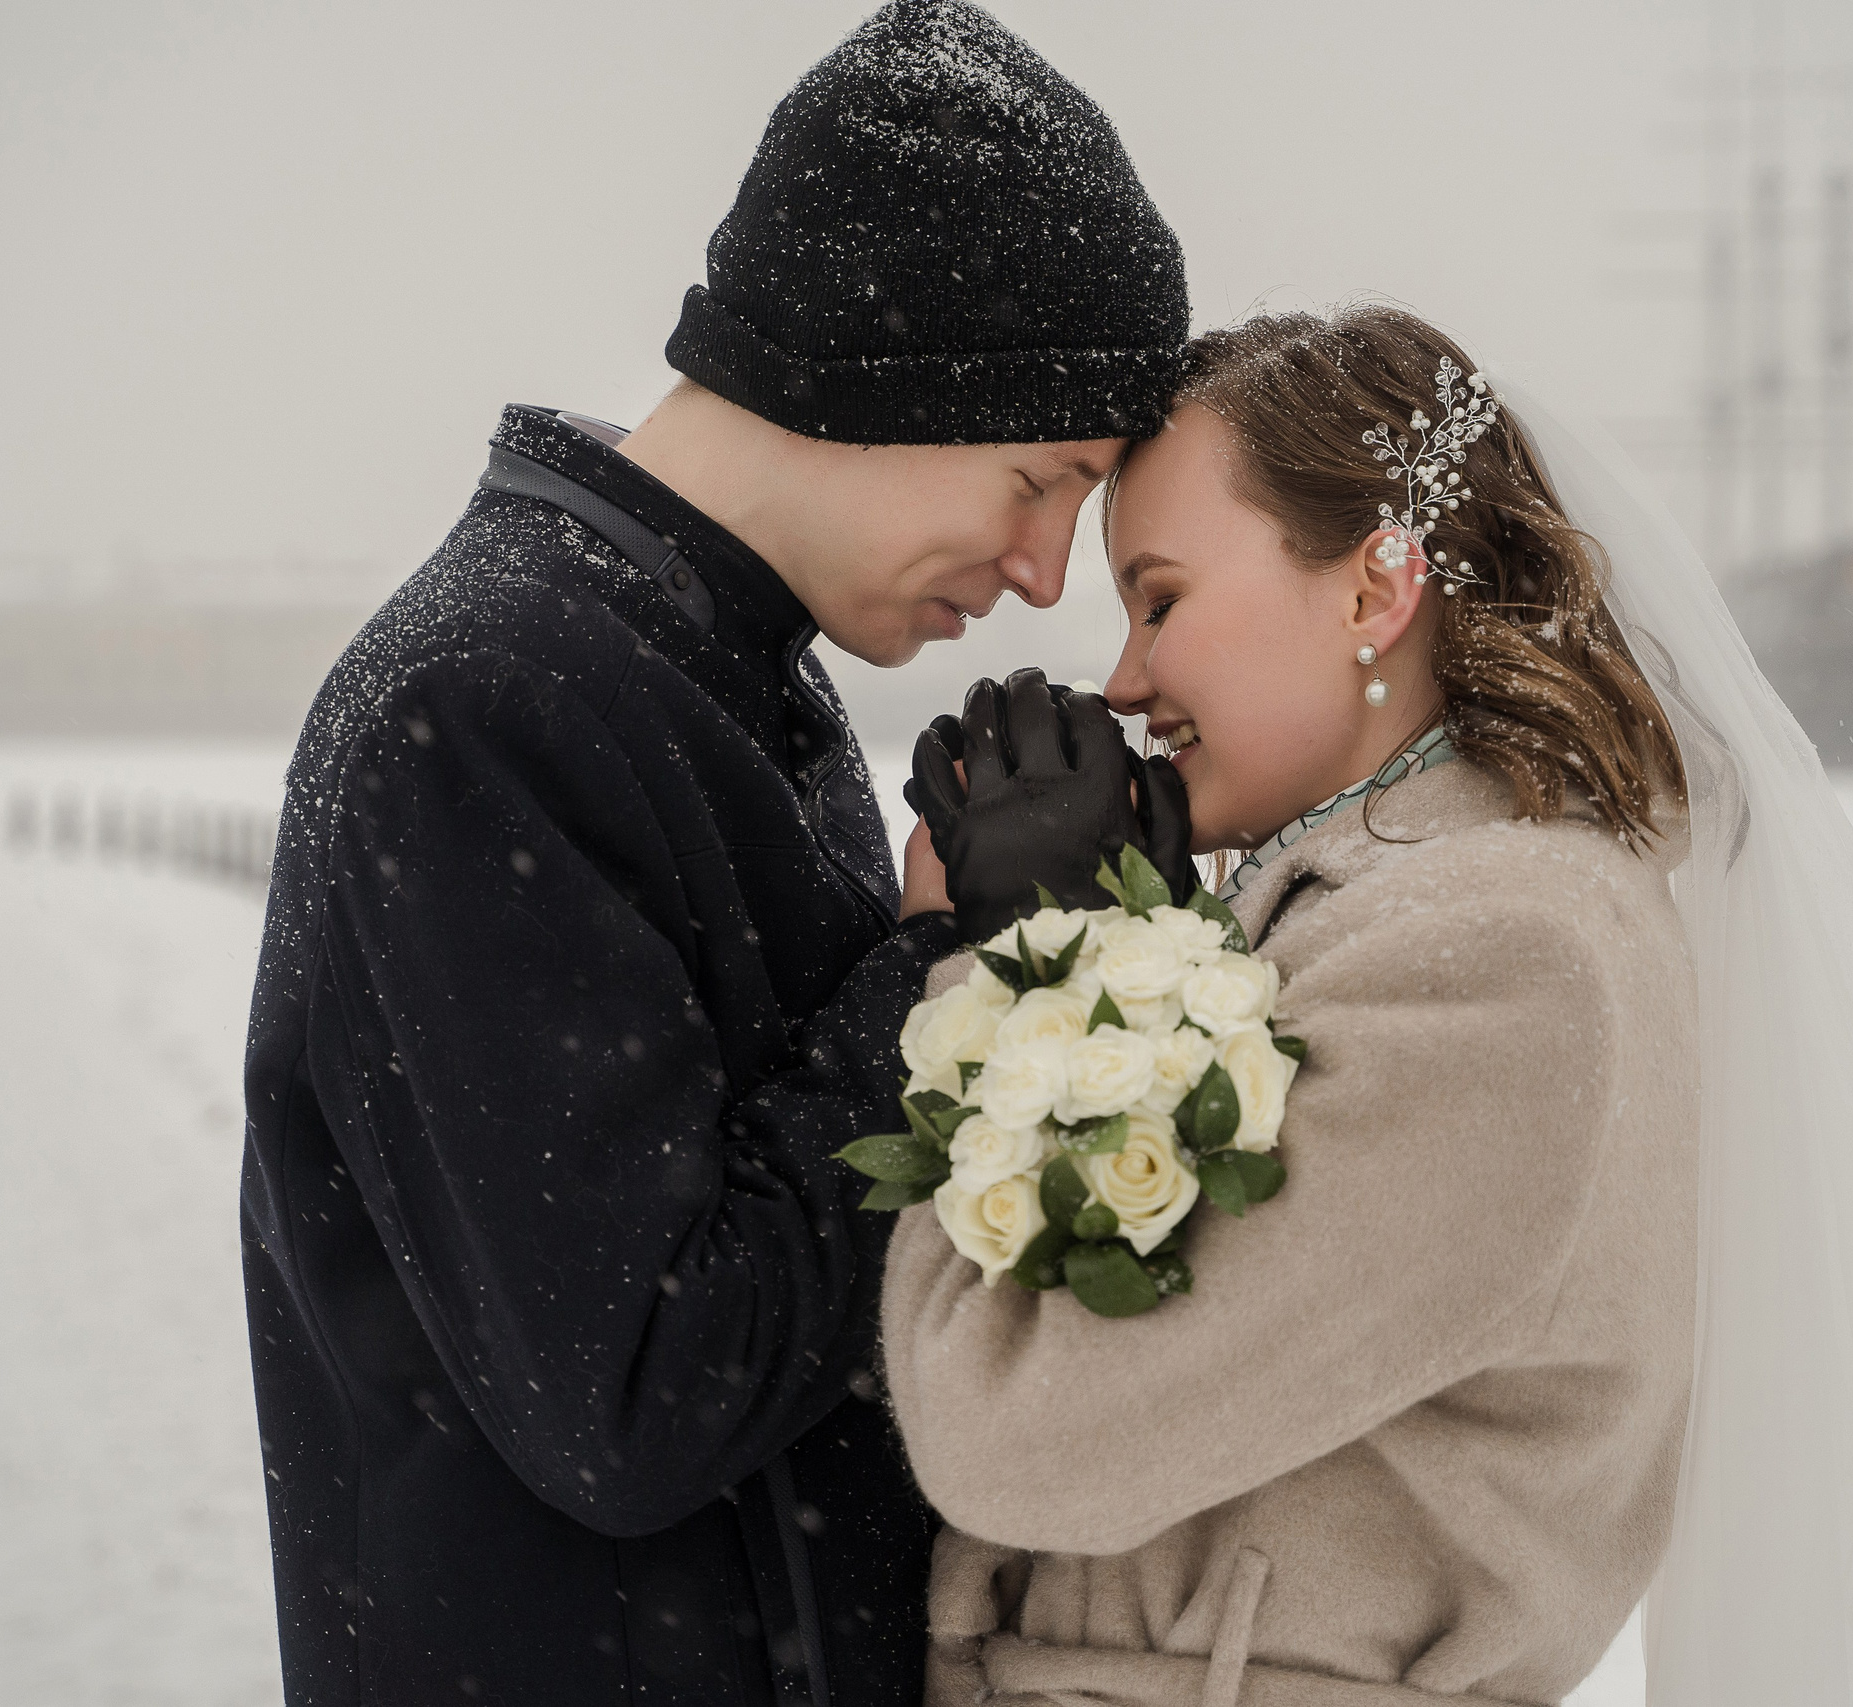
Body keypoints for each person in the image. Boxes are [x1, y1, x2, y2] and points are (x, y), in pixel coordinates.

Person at [885, 303, 1853, 1704]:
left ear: (1375, 590)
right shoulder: (1385, 916)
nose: (1123, 679)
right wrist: (1119, 948)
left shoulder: (1505, 963)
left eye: (1162, 599)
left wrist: (1014, 960)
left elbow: (1021, 1436)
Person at [235, 5, 1188, 1704]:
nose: (1050, 574)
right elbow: (635, 1391)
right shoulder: (479, 713)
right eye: (1046, 479)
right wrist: (935, 979)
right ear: (896, 368)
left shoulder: (703, 674)